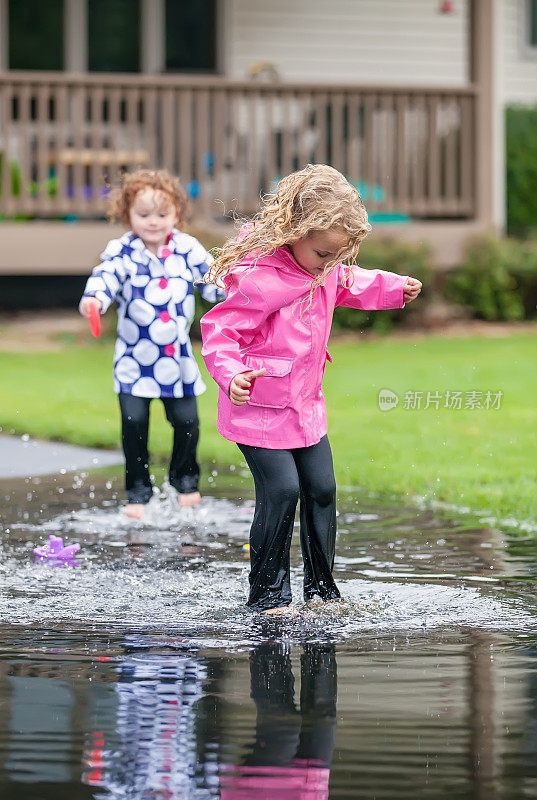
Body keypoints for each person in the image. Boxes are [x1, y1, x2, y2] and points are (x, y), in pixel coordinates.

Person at [200, 163, 422, 614]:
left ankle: (321, 592)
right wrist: (231, 375)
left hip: (304, 405)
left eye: (336, 256)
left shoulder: (323, 266)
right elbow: (220, 331)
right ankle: (268, 597)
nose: (330, 265)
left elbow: (351, 280)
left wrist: (395, 287)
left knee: (321, 488)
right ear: (295, 231)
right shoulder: (260, 277)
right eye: (323, 254)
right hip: (257, 406)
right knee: (282, 490)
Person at [79, 169, 224, 518]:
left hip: (177, 362)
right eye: (143, 214)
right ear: (127, 214)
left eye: (162, 214)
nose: (153, 222)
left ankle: (185, 482)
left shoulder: (187, 249)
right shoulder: (123, 251)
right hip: (134, 360)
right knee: (133, 423)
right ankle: (138, 492)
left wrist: (237, 290)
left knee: (188, 422)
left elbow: (212, 283)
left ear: (177, 215)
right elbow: (105, 277)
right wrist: (95, 300)